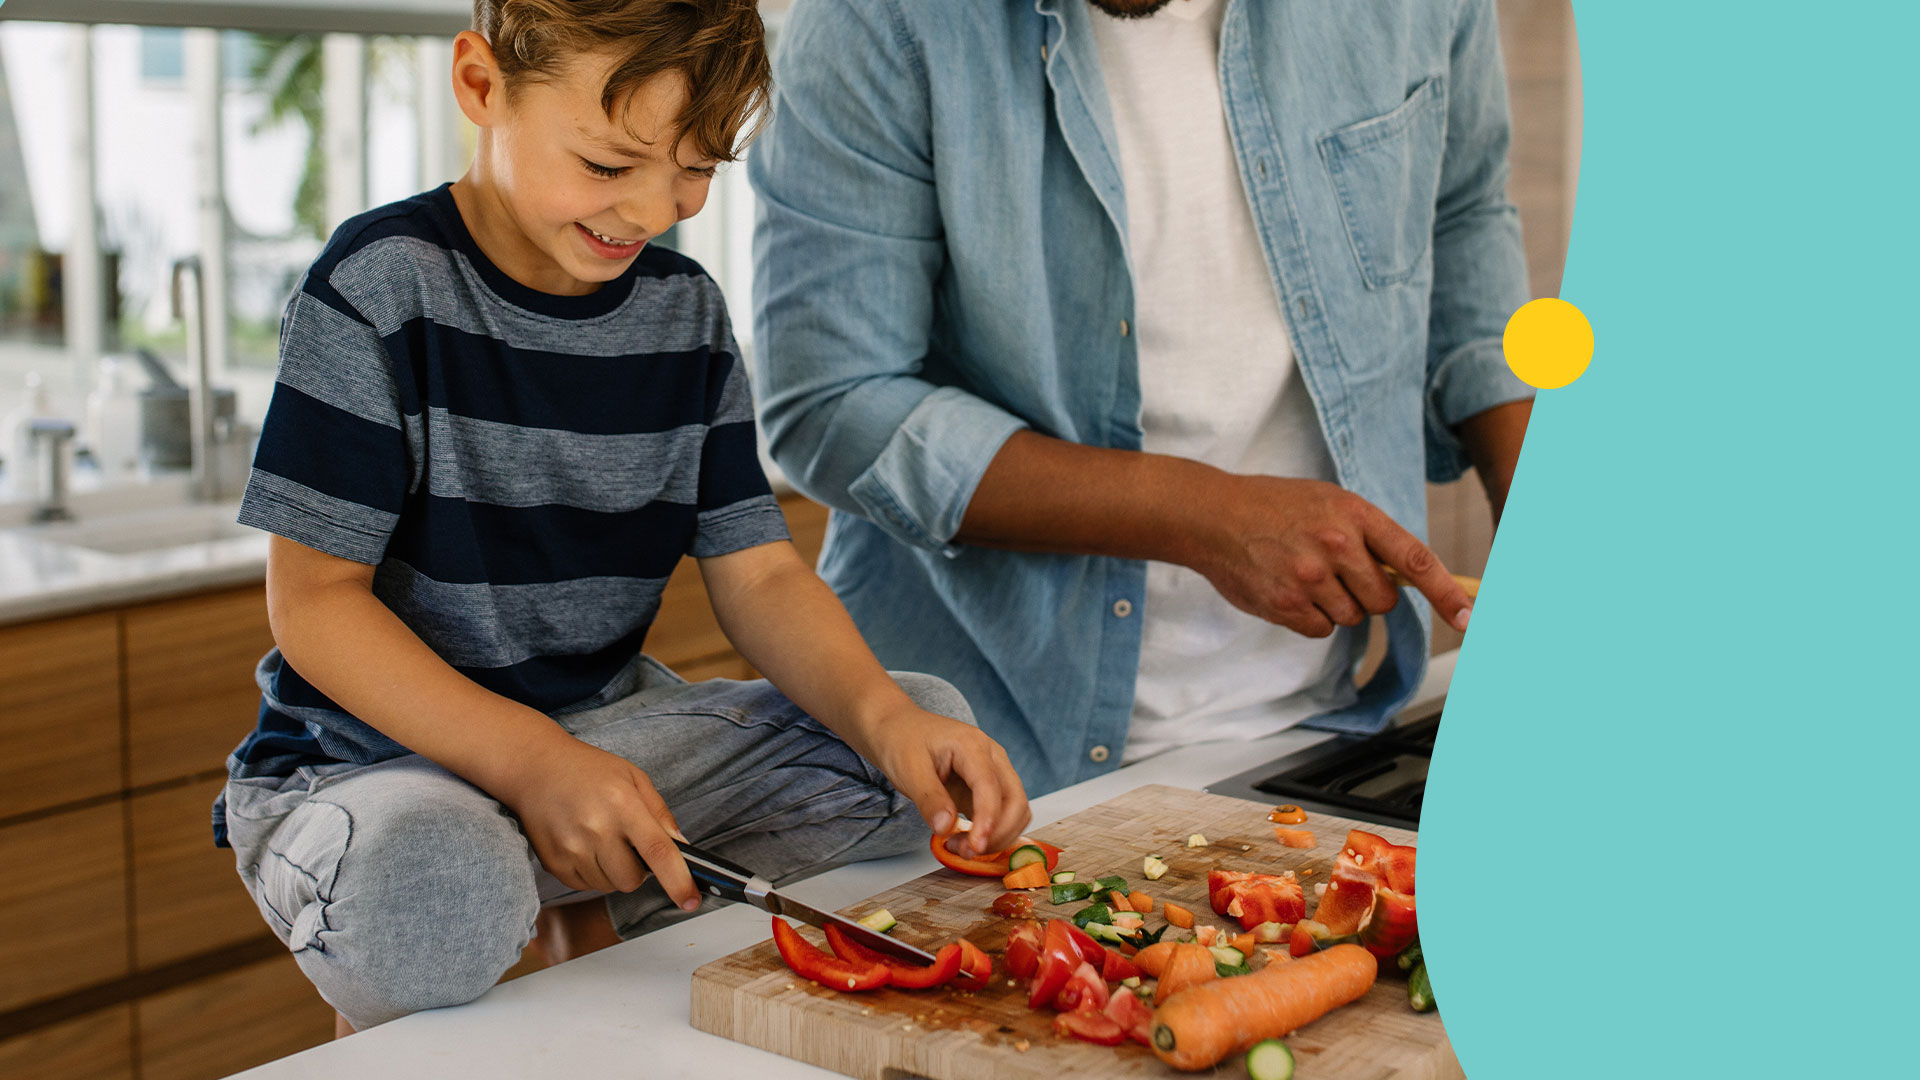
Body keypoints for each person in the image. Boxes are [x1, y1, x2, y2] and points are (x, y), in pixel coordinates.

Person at [215, 0, 1029, 1034]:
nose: (651, 209)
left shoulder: (684, 313)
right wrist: (533, 765)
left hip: (599, 742)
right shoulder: (377, 287)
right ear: (480, 86)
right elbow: (316, 609)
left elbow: (763, 575)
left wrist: (885, 717)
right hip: (376, 770)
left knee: (914, 733)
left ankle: (581, 887)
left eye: (695, 169)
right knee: (436, 883)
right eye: (608, 166)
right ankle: (552, 891)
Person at [749, 0, 1535, 796]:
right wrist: (1203, 516)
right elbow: (831, 405)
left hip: (1317, 731)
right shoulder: (876, 18)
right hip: (970, 757)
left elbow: (1464, 223)